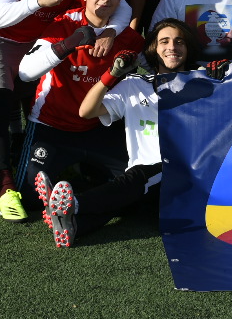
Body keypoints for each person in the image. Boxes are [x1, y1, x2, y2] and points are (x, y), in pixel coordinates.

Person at [0, 0, 132, 215]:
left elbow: (123, 5)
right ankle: (5, 184)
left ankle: (52, 161)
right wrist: (39, 1)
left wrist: (112, 30)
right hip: (1, 37)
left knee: (45, 100)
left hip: (39, 37)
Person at [56, 20, 192, 248]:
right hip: (142, 188)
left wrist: (220, 80)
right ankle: (74, 226)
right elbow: (86, 111)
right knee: (128, 191)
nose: (172, 47)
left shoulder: (200, 83)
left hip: (181, 184)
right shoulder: (134, 85)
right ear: (153, 49)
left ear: (188, 49)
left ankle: (75, 203)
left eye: (180, 42)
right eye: (164, 41)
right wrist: (111, 74)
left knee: (141, 178)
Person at [17, 0, 145, 200]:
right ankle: (70, 168)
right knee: (30, 196)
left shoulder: (126, 36)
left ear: (120, 0)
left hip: (97, 128)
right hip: (51, 125)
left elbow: (158, 64)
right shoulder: (64, 24)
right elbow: (26, 73)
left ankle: (79, 172)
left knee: (134, 184)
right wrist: (70, 43)